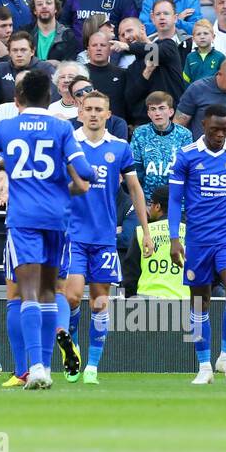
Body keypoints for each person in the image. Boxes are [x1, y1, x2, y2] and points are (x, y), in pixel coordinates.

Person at [0, 68, 90, 389]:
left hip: (23, 219)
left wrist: (3, 162)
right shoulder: (62, 128)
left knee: (26, 294)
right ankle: (46, 369)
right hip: (56, 219)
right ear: (49, 99)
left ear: (18, 98)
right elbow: (86, 171)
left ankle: (34, 366)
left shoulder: (7, 127)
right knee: (51, 292)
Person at [59, 90, 151, 384]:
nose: (95, 113)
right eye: (89, 109)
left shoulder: (120, 148)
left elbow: (135, 190)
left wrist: (146, 230)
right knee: (72, 296)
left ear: (109, 114)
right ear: (80, 112)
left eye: (100, 109)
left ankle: (92, 368)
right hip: (73, 234)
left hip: (104, 237)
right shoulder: (69, 143)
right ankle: (70, 348)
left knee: (100, 302)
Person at [168, 104, 226, 385]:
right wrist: (175, 238)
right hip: (197, 240)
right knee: (200, 302)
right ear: (203, 125)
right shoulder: (186, 157)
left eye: (225, 130)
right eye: (214, 130)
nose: (220, 135)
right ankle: (204, 365)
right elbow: (174, 200)